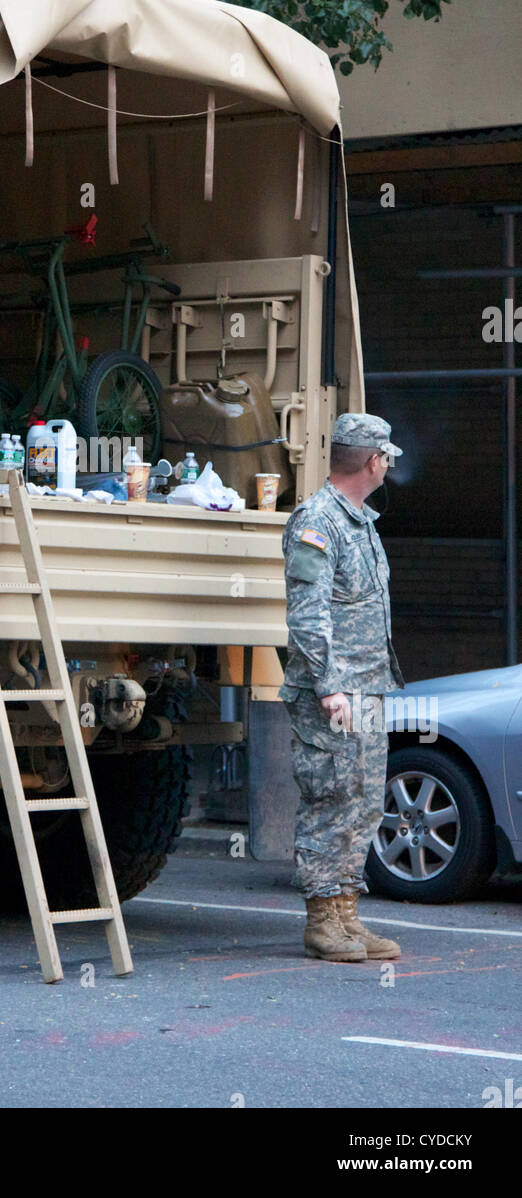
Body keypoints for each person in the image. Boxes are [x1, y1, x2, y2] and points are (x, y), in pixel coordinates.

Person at [278, 412, 405, 963]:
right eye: (387, 456)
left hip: (368, 690)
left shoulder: (361, 521)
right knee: (330, 799)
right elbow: (308, 617)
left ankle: (348, 914)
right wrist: (328, 686)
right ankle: (321, 919)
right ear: (372, 460)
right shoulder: (317, 521)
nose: (389, 464)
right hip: (332, 693)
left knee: (363, 802)